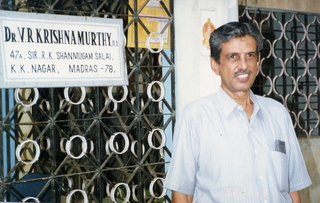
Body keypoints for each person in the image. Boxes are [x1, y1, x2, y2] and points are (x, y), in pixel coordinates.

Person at [164, 22, 311, 203]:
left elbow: (292, 190)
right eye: (233, 57)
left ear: (258, 61)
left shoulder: (278, 113)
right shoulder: (195, 117)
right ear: (215, 65)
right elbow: (182, 193)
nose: (243, 65)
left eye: (250, 55)